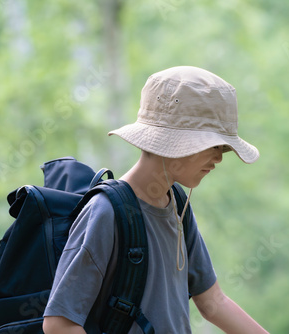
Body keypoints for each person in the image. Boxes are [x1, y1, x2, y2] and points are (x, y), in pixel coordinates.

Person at [43, 66, 268, 334]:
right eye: (214, 146)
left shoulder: (177, 205)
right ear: (173, 141)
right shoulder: (106, 212)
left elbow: (212, 302)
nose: (219, 158)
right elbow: (59, 324)